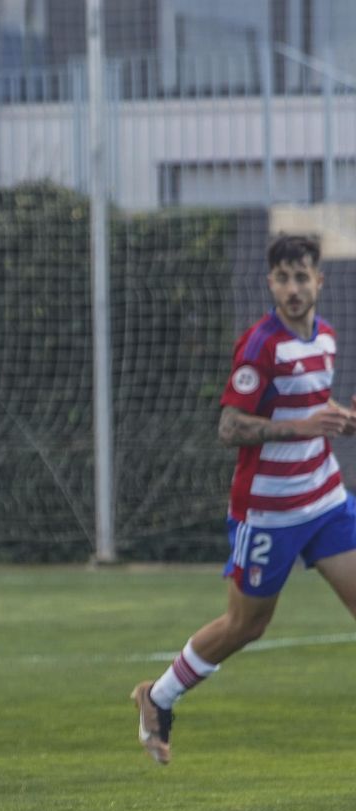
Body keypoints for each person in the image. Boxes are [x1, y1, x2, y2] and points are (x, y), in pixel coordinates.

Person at [132, 234, 356, 763]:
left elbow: (309, 409)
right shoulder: (259, 346)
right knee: (246, 625)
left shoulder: (325, 337)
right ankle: (158, 695)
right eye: (282, 278)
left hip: (325, 499)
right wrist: (303, 426)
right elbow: (230, 427)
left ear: (319, 281)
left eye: (301, 277)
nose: (293, 288)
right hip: (269, 513)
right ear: (270, 283)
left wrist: (339, 421)